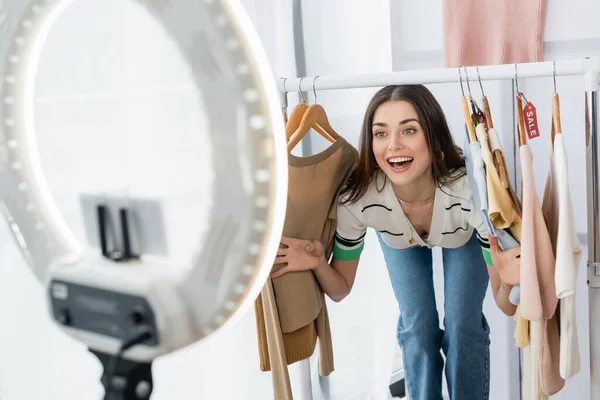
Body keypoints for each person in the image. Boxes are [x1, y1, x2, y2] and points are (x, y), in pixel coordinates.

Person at [271, 84, 521, 400]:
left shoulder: (469, 194)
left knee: (463, 328)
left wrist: (513, 284)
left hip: (461, 233)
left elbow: (504, 303)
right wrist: (318, 262)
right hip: (398, 235)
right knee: (417, 329)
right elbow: (340, 288)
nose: (393, 145)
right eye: (381, 134)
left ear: (433, 136)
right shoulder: (359, 199)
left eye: (409, 130)